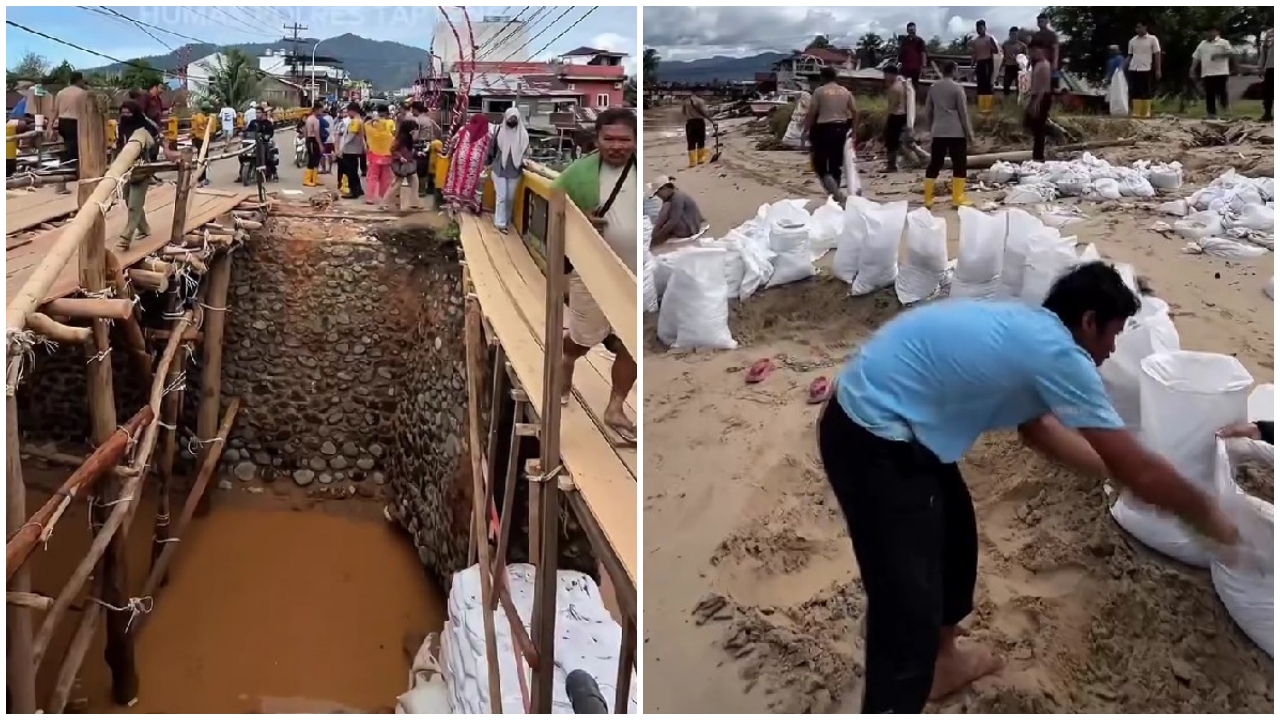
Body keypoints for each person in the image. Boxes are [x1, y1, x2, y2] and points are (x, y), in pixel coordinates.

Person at [818, 262, 1242, 714]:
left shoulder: (1031, 328)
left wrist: (1119, 474)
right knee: (906, 615)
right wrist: (1210, 517)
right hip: (872, 438)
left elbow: (1037, 429)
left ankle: (943, 663)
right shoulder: (1061, 356)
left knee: (955, 539)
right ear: (1088, 321)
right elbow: (1139, 467)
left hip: (899, 422)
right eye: (1112, 335)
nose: (1112, 349)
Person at [551, 108, 639, 444]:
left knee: (631, 345)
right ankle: (567, 357)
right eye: (610, 139)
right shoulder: (577, 175)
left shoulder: (643, 169)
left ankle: (615, 407)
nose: (617, 146)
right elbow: (555, 211)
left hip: (636, 273)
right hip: (593, 271)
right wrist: (581, 218)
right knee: (584, 339)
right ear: (598, 139)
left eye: (625, 139)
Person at [922, 61, 973, 208]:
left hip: (938, 130)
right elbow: (963, 113)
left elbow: (928, 111)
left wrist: (930, 128)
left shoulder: (933, 88)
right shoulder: (958, 88)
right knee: (959, 164)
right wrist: (969, 133)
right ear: (954, 71)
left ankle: (927, 199)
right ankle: (957, 198)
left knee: (935, 163)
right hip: (956, 131)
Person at [804, 66, 856, 203]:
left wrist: (805, 130)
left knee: (820, 165)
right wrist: (854, 131)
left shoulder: (819, 91)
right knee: (835, 165)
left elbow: (812, 112)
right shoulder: (845, 91)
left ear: (822, 78)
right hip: (841, 128)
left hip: (823, 129)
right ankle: (835, 195)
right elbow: (855, 111)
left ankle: (836, 194)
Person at [116, 100, 162, 247]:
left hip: (142, 169)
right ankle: (144, 228)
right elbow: (118, 146)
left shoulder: (145, 130)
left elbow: (154, 144)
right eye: (123, 113)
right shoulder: (121, 128)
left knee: (134, 204)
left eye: (129, 112)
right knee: (129, 199)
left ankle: (126, 236)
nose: (125, 115)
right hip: (125, 169)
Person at [487, 107, 528, 233]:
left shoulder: (523, 135)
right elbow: (491, 149)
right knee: (502, 197)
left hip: (515, 171)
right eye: (510, 118)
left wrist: (525, 160)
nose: (512, 121)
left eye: (514, 118)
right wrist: (487, 164)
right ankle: (500, 223)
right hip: (499, 169)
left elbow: (526, 153)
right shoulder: (499, 131)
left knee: (510, 197)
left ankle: (506, 219)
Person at [442, 113, 493, 214]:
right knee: (473, 182)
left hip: (460, 156)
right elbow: (488, 150)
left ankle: (456, 202)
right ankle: (473, 204)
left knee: (457, 178)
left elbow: (453, 140)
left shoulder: (464, 129)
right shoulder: (487, 134)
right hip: (475, 161)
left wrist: (449, 153)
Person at [650, 175, 707, 246]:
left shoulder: (677, 198)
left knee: (666, 209)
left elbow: (673, 221)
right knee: (664, 212)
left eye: (658, 193)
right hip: (688, 225)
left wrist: (658, 236)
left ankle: (659, 237)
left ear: (665, 188)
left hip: (690, 229)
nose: (659, 196)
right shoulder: (672, 197)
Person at [1191, 28, 1234, 119]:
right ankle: (1211, 113)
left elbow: (1231, 53)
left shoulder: (1223, 42)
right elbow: (1196, 57)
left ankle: (1225, 110)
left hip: (1221, 72)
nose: (1209, 33)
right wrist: (1192, 69)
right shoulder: (1202, 44)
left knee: (1221, 92)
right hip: (1207, 72)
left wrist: (1219, 55)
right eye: (1207, 31)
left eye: (1211, 31)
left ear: (1217, 32)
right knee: (1209, 93)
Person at [49, 71, 87, 168]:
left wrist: (50, 126)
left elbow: (54, 111)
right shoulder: (83, 94)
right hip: (76, 122)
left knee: (68, 144)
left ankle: (67, 164)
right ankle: (72, 166)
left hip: (63, 122)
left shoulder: (61, 93)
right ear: (80, 80)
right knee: (75, 146)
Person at [1024, 46, 1053, 162]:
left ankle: (1038, 156)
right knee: (1031, 123)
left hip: (1042, 96)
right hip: (1036, 95)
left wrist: (1036, 102)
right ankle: (1037, 153)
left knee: (1038, 126)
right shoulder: (1038, 64)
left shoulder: (1044, 66)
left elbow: (1044, 86)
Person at [364, 103, 397, 206]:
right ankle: (383, 196)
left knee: (372, 177)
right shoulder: (389, 136)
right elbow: (394, 145)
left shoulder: (372, 133)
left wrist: (373, 120)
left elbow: (366, 125)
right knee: (385, 178)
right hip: (386, 158)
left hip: (374, 158)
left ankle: (369, 198)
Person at [1127, 23, 1161, 119]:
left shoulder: (1152, 39)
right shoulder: (1132, 41)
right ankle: (1137, 111)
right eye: (1136, 27)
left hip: (1146, 68)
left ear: (1145, 27)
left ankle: (1146, 112)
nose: (1137, 29)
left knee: (1146, 90)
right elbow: (1130, 55)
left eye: (1139, 27)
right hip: (1134, 67)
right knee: (1135, 90)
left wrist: (1158, 69)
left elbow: (1157, 54)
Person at [388, 118, 422, 211]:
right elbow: (392, 149)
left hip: (408, 163)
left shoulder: (407, 138)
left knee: (414, 182)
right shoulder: (400, 139)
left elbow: (409, 151)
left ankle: (415, 203)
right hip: (402, 165)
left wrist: (417, 153)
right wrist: (400, 157)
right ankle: (385, 203)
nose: (415, 132)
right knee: (397, 184)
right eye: (414, 130)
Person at [882, 65, 909, 172]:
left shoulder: (894, 88)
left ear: (891, 74)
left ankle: (891, 165)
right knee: (898, 140)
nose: (884, 77)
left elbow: (892, 105)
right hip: (903, 114)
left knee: (891, 141)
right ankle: (899, 162)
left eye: (886, 74)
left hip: (896, 115)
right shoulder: (902, 82)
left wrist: (887, 117)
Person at [336, 102, 365, 200]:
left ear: (353, 111)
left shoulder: (355, 122)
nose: (347, 114)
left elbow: (350, 136)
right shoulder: (360, 120)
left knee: (350, 171)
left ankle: (353, 191)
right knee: (354, 170)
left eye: (348, 111)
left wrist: (341, 148)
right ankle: (358, 188)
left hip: (350, 150)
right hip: (356, 149)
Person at [970, 20, 1001, 113]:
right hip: (979, 63)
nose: (979, 30)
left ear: (985, 28)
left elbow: (996, 51)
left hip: (988, 62)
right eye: (977, 28)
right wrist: (972, 64)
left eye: (981, 28)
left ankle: (988, 107)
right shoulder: (975, 41)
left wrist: (991, 46)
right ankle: (981, 106)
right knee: (980, 85)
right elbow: (974, 53)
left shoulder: (989, 38)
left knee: (987, 85)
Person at [411, 101, 439, 198]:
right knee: (427, 166)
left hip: (420, 144)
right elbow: (437, 131)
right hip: (428, 144)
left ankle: (421, 190)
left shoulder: (418, 121)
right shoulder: (429, 120)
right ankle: (428, 188)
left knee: (420, 168)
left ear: (415, 109)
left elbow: (415, 135)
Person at [1029, 14, 1060, 91]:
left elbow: (1056, 48)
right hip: (1036, 63)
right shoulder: (1036, 35)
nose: (1040, 23)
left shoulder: (1052, 35)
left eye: (1042, 21)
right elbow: (1032, 49)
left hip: (1048, 62)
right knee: (1037, 85)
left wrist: (1055, 63)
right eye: (1039, 21)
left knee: (1048, 86)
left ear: (1046, 21)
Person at [682, 91, 713, 166]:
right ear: (699, 92)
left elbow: (683, 113)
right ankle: (700, 159)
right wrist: (712, 121)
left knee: (691, 141)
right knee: (700, 140)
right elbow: (705, 113)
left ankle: (692, 162)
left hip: (690, 123)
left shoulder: (685, 101)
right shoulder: (701, 101)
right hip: (699, 122)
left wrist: (690, 115)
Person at [190, 103, 215, 186]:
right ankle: (201, 178)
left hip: (202, 139)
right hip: (201, 139)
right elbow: (201, 124)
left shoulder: (201, 116)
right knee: (203, 159)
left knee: (203, 158)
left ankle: (203, 177)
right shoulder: (200, 116)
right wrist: (207, 122)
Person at [898, 22, 928, 87]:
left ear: (915, 30)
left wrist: (924, 67)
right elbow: (901, 53)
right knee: (903, 85)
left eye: (913, 29)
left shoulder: (920, 41)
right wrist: (899, 63)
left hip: (915, 68)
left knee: (914, 86)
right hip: (905, 68)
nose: (911, 31)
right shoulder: (904, 41)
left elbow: (923, 53)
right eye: (910, 30)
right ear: (907, 30)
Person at [1001, 27, 1028, 98]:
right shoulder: (1005, 45)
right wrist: (1001, 67)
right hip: (1008, 67)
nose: (1014, 36)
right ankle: (1006, 100)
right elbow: (1003, 56)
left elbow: (1025, 59)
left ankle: (1019, 101)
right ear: (1009, 34)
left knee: (1019, 86)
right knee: (1006, 85)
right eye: (1012, 34)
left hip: (1018, 67)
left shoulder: (1022, 46)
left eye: (1015, 34)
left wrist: (1016, 58)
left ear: (1017, 34)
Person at [302, 101, 323, 188]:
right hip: (313, 140)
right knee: (312, 160)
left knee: (315, 160)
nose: (322, 112)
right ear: (317, 110)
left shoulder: (308, 118)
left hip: (309, 140)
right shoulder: (315, 120)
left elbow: (305, 131)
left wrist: (306, 140)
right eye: (321, 110)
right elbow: (316, 133)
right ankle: (307, 180)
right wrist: (320, 144)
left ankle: (314, 178)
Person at [1261, 27, 1275, 122]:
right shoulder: (1270, 33)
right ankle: (1267, 113)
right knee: (1268, 91)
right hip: (1271, 66)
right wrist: (1260, 65)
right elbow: (1264, 51)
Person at [318, 106, 334, 174]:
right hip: (331, 139)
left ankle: (323, 169)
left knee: (322, 155)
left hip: (324, 139)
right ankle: (329, 169)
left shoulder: (322, 119)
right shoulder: (331, 118)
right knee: (329, 154)